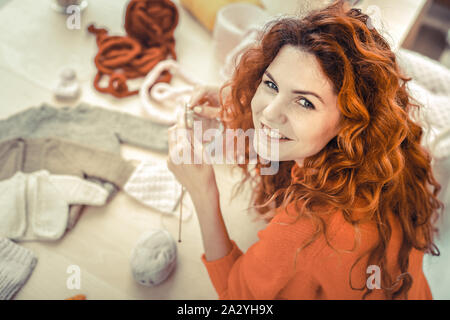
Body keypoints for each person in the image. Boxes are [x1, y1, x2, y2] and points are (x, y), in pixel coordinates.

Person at [166, 0, 444, 299]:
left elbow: (239, 298)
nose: (270, 113)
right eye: (271, 84)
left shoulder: (307, 225)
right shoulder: (389, 149)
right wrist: (242, 105)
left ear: (351, 122)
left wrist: (203, 193)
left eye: (305, 102)